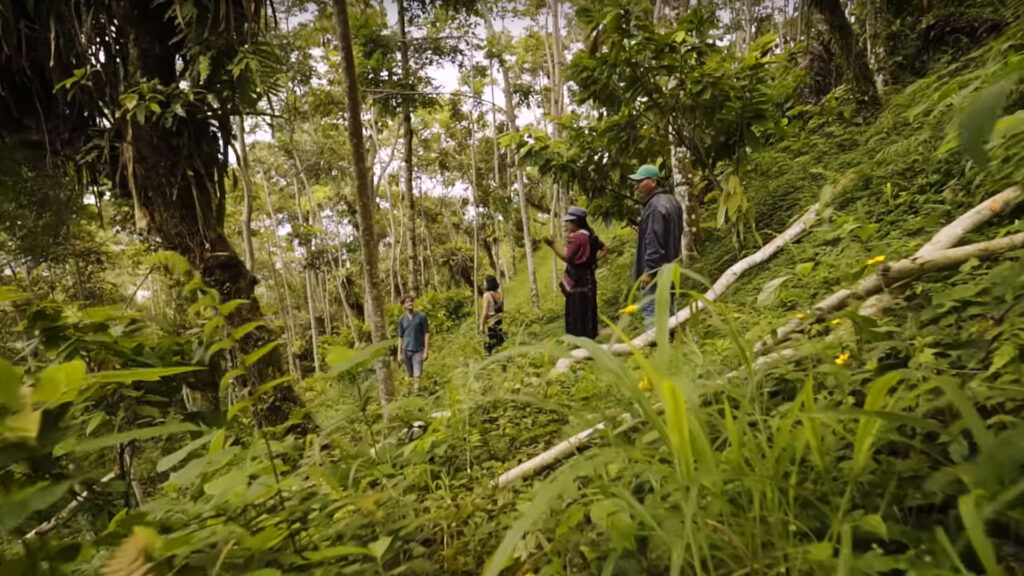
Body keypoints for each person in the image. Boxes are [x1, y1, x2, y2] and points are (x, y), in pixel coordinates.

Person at [627, 164, 683, 323]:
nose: (637, 186)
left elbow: (654, 241)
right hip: (670, 268)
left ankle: (656, 339)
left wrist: (649, 270)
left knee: (653, 315)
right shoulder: (672, 201)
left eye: (641, 181)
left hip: (656, 273)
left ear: (653, 181)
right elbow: (671, 232)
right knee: (670, 315)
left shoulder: (654, 207)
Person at [543, 206, 607, 338]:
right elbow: (605, 248)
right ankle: (591, 336)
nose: (567, 225)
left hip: (577, 280)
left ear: (575, 223)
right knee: (588, 307)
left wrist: (552, 245)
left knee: (576, 309)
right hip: (589, 279)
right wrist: (592, 261)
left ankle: (578, 340)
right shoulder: (591, 236)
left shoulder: (577, 238)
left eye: (568, 222)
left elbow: (567, 257)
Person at [397, 294, 429, 391]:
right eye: (407, 302)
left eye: (411, 301)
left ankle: (416, 393)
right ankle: (412, 395)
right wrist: (399, 353)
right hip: (406, 351)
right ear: (403, 305)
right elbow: (400, 336)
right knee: (410, 375)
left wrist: (426, 351)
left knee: (417, 374)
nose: (410, 303)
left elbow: (426, 333)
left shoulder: (422, 316)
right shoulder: (402, 319)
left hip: (418, 350)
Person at [478, 275, 505, 354]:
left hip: (490, 321)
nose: (483, 284)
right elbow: (502, 308)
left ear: (489, 283)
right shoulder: (499, 294)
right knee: (499, 340)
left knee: (489, 343)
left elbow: (485, 312)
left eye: (485, 282)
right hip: (499, 319)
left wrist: (482, 325)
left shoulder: (486, 295)